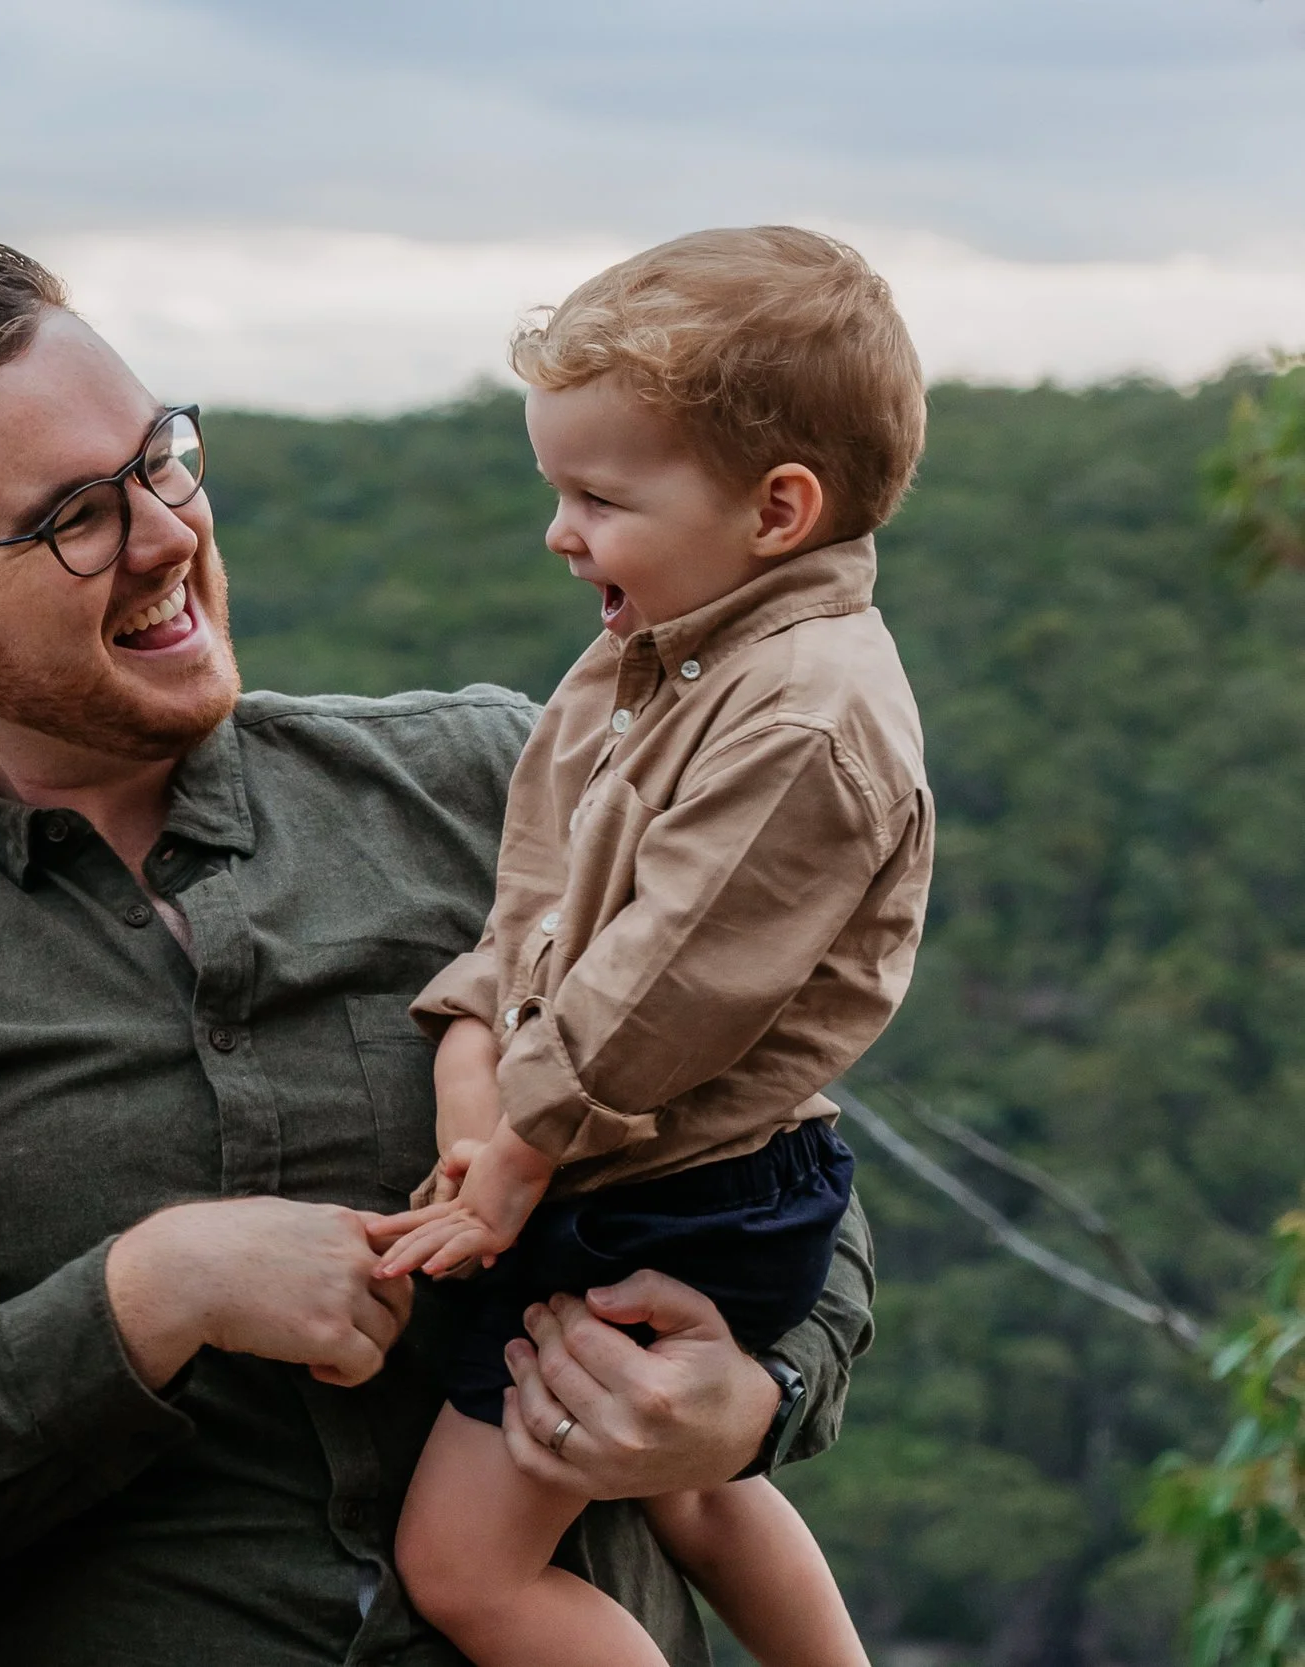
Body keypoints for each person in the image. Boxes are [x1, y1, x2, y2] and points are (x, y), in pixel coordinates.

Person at [0, 241, 877, 1667]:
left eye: (161, 459)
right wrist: (151, 1295)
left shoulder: (493, 782)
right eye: (75, 517)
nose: (163, 534)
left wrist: (751, 1395)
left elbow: (770, 1141)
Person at [366, 227, 931, 1667]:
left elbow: (664, 984)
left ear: (777, 509)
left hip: (670, 1200)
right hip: (672, 1173)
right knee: (692, 1492)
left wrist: (515, 1151)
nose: (561, 533)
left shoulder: (801, 717)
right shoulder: (658, 652)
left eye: (600, 498)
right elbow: (544, 882)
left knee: (465, 1566)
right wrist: (472, 1040)